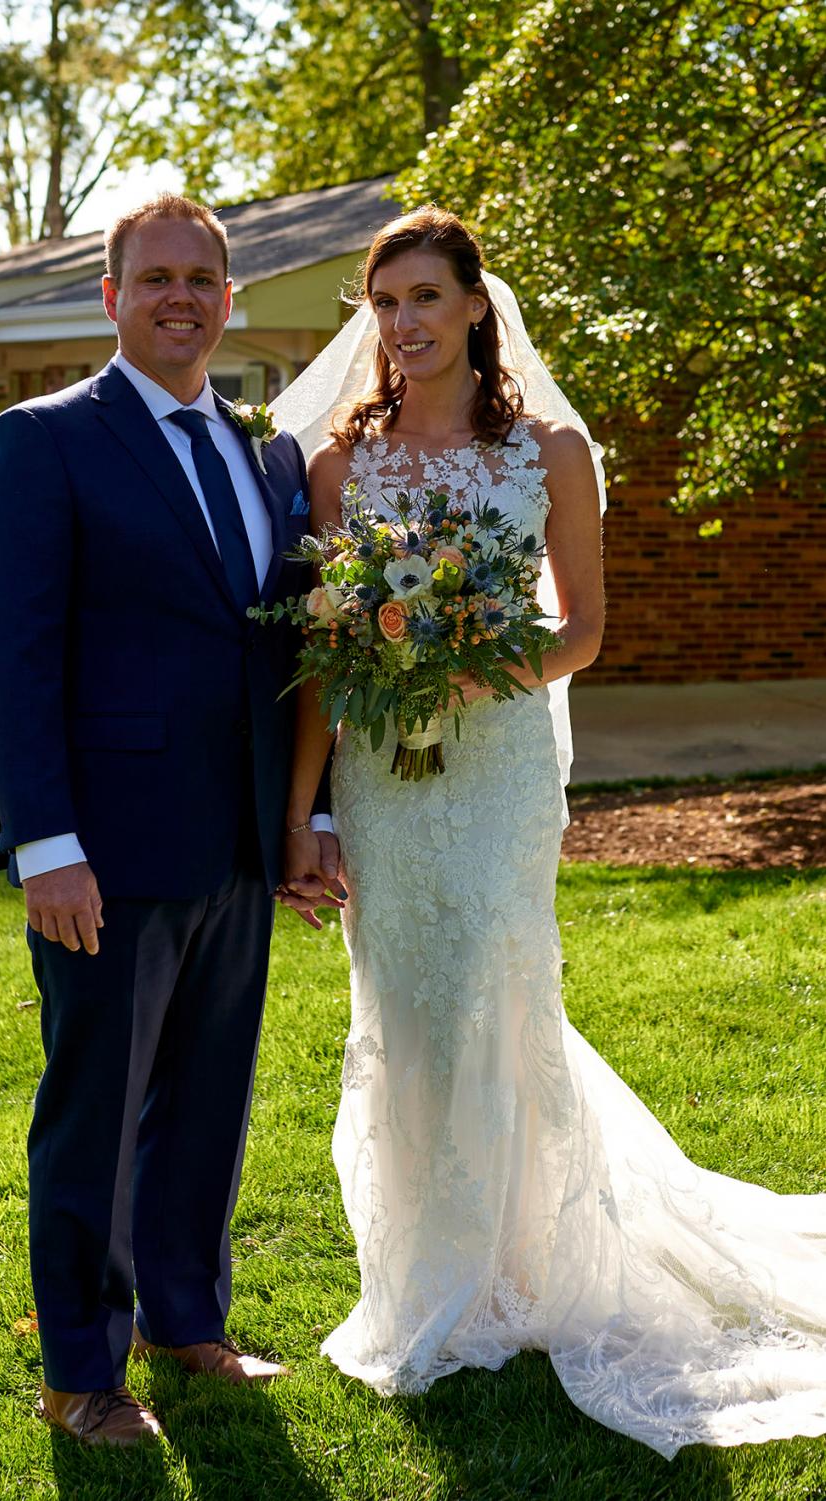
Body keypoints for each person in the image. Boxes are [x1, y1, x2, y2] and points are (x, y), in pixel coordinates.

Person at [277, 206, 826, 1458]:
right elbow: (318, 657)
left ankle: (522, 1274)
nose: (405, 324)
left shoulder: (550, 451)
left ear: (478, 305)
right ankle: (427, 1278)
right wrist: (307, 812)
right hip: (383, 778)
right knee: (406, 1005)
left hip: (503, 764)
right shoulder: (339, 465)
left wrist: (475, 666)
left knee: (491, 989)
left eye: (426, 297)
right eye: (386, 303)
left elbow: (580, 632)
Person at [0, 193, 339, 1448]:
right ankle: (81, 1369)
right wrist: (47, 844)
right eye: (155, 276)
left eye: (202, 278)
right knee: (95, 1105)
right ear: (110, 297)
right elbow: (11, 659)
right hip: (106, 850)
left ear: (230, 301)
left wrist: (307, 817)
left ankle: (188, 1321)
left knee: (209, 1097)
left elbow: (291, 648)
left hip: (237, 837)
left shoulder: (268, 451)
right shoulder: (45, 438)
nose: (181, 295)